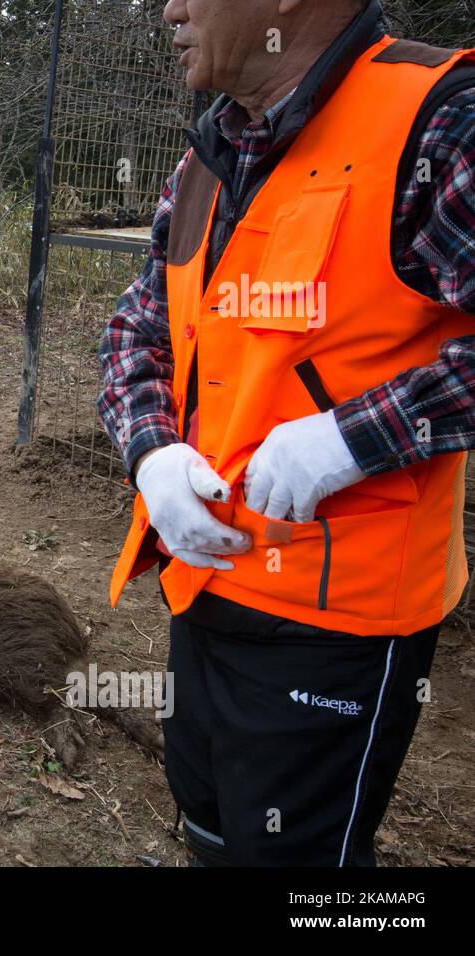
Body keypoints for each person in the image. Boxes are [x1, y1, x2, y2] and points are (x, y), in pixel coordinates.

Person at [99, 0, 475, 865]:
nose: (169, 9)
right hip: (202, 588)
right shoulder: (210, 155)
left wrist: (353, 439)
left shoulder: (439, 123)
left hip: (341, 626)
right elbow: (135, 334)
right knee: (211, 829)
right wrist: (151, 453)